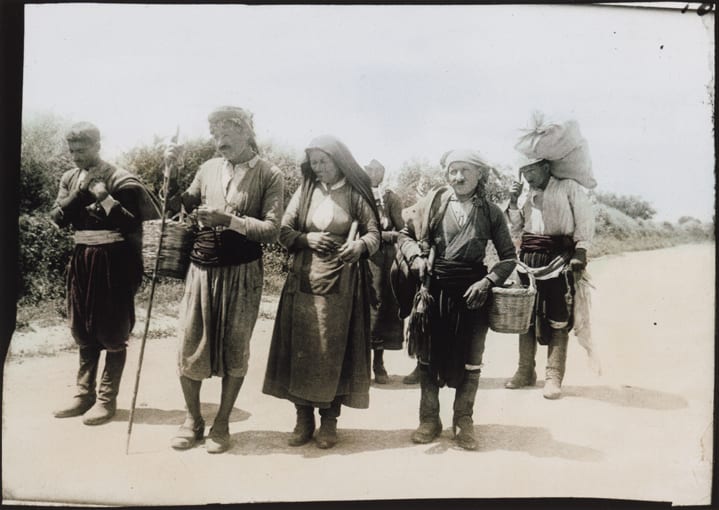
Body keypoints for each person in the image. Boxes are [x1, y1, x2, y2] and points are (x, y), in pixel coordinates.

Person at [163, 106, 284, 453]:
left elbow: (272, 230)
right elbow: (176, 206)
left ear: (246, 133)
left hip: (242, 272)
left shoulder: (269, 174)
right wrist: (169, 171)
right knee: (190, 343)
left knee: (234, 347)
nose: (220, 141)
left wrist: (228, 220)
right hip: (201, 268)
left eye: (227, 134)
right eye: (215, 135)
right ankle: (192, 419)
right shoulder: (207, 169)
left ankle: (222, 423)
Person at [263, 135, 381, 449]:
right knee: (301, 348)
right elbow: (283, 232)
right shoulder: (305, 191)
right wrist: (307, 240)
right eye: (313, 163)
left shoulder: (356, 193)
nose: (318, 168)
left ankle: (329, 421)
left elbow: (374, 235)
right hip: (303, 282)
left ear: (338, 161)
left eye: (323, 162)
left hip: (342, 285)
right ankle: (303, 420)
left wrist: (359, 245)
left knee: (333, 351)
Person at [396, 149, 517, 450]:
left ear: (480, 175)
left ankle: (464, 421)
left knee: (471, 361)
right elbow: (403, 235)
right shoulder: (432, 204)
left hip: (473, 294)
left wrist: (487, 282)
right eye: (453, 171)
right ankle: (429, 419)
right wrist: (415, 258)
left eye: (465, 170)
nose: (458, 177)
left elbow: (509, 258)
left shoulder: (491, 212)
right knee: (427, 358)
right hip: (434, 289)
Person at [51, 122, 160, 425]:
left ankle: (106, 399)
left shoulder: (119, 178)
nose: (75, 156)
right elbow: (58, 218)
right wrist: (80, 192)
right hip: (82, 258)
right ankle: (83, 394)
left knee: (112, 329)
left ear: (97, 147)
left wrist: (103, 196)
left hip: (114, 260)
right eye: (72, 150)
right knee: (83, 326)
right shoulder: (70, 177)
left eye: (82, 149)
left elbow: (132, 224)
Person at [504, 155, 594, 399]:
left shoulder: (568, 187)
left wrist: (580, 251)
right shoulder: (525, 193)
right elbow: (516, 228)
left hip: (558, 258)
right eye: (524, 170)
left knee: (558, 318)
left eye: (531, 169)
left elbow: (584, 220)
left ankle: (553, 376)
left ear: (545, 167)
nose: (527, 175)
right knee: (526, 317)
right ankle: (525, 371)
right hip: (529, 258)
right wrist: (513, 201)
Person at [363, 159, 407, 384]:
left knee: (380, 306)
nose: (373, 174)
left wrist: (386, 236)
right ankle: (358, 365)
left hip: (383, 260)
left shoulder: (390, 197)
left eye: (378, 170)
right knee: (359, 307)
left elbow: (402, 230)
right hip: (360, 257)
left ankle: (378, 363)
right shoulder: (356, 194)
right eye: (369, 169)